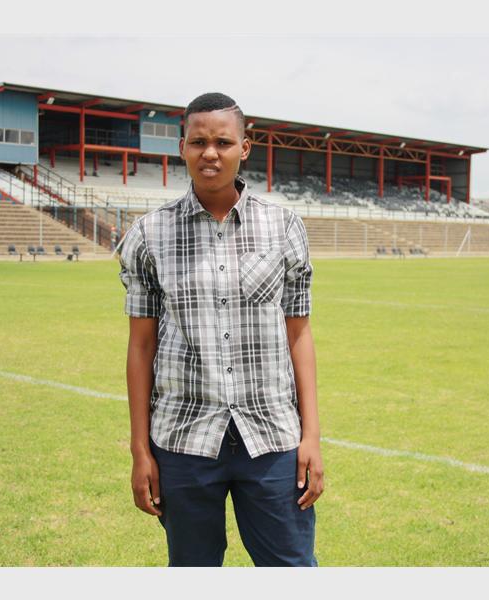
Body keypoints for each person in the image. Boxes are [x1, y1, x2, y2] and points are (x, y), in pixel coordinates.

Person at [118, 92, 323, 567]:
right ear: (182, 148)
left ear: (244, 148)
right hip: (183, 440)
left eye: (223, 142)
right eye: (199, 142)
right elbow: (141, 346)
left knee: (291, 567)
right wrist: (139, 451)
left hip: (272, 437)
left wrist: (311, 436)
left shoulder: (283, 227)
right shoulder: (149, 234)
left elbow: (299, 335)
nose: (210, 153)